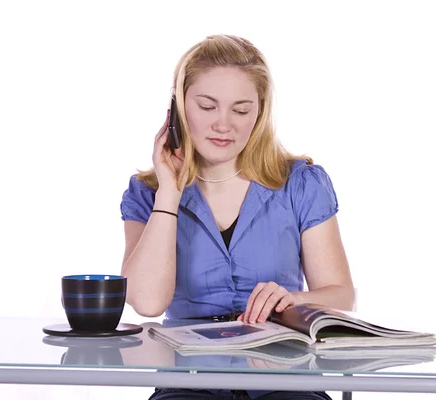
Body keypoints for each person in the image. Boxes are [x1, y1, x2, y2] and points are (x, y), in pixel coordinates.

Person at [120, 34, 354, 400]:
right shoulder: (147, 193)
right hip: (190, 378)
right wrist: (170, 190)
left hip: (285, 374)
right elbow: (148, 303)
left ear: (259, 113)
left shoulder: (301, 183)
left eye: (241, 110)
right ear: (178, 108)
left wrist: (292, 298)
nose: (223, 124)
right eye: (207, 106)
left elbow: (341, 296)